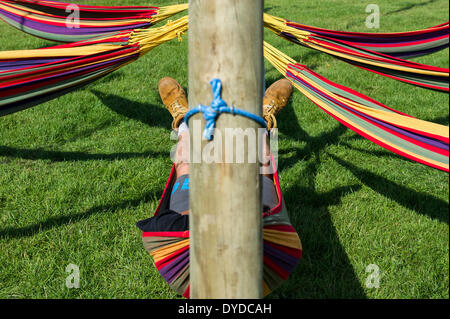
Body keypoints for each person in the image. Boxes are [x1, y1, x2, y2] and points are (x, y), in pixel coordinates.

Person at [137, 77, 293, 232]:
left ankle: (183, 121)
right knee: (261, 165)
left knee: (184, 164)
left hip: (186, 229)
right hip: (256, 226)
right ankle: (262, 121)